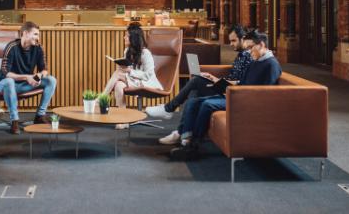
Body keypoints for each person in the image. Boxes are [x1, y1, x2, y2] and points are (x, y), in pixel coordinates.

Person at [170, 30, 282, 160]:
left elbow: (265, 94)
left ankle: (193, 147)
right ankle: (185, 140)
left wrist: (237, 93)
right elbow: (242, 82)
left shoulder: (271, 65)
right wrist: (218, 81)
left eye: (251, 48)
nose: (249, 52)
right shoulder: (255, 61)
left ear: (262, 45)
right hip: (238, 96)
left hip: (246, 101)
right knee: (193, 102)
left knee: (207, 104)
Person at [146, 24, 253, 144]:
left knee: (196, 81)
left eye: (234, 41)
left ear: (243, 38)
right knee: (194, 90)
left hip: (231, 91)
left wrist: (217, 81)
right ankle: (182, 132)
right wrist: (215, 78)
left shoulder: (249, 57)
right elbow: (233, 77)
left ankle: (170, 111)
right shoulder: (240, 55)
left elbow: (241, 82)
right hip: (224, 86)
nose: (231, 44)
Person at [0, 22, 57, 134]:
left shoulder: (38, 48)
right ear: (25, 33)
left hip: (23, 85)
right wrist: (27, 77)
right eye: (35, 34)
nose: (38, 38)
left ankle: (40, 115)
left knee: (51, 80)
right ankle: (14, 120)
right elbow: (6, 73)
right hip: (4, 85)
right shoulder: (11, 47)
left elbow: (45, 69)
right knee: (9, 81)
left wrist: (39, 75)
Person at [102, 22, 162, 129]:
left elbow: (148, 75)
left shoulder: (145, 53)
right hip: (133, 80)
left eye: (127, 35)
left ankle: (102, 98)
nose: (124, 37)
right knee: (118, 85)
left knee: (118, 74)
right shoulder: (127, 51)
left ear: (133, 38)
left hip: (146, 82)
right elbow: (126, 71)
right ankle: (124, 120)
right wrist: (123, 67)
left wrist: (130, 71)